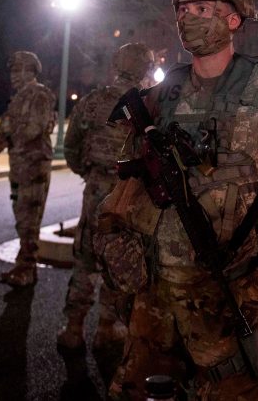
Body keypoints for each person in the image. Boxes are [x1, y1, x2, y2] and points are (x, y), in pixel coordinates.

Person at [94, 0, 258, 400]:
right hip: (155, 297)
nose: (186, 18)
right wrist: (113, 232)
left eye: (201, 8)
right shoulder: (162, 96)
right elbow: (127, 181)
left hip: (227, 293)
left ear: (233, 17)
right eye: (182, 9)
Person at [57, 42, 156, 356]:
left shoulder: (93, 101)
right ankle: (106, 328)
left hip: (96, 190)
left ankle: (73, 329)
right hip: (130, 195)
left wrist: (89, 174)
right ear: (147, 69)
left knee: (85, 260)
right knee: (120, 261)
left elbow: (72, 146)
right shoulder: (151, 106)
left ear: (116, 64)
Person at [0, 50, 56, 287]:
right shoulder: (19, 98)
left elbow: (33, 129)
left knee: (29, 219)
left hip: (33, 166)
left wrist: (8, 133)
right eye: (11, 71)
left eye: (17, 70)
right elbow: (5, 136)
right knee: (22, 218)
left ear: (30, 70)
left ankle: (27, 268)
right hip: (19, 165)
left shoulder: (39, 94)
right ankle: (23, 266)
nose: (13, 76)